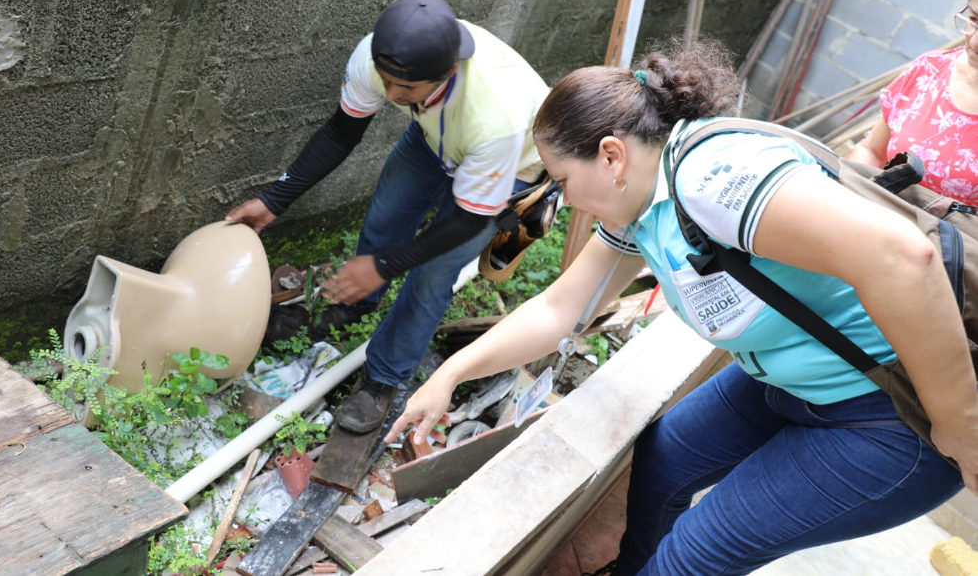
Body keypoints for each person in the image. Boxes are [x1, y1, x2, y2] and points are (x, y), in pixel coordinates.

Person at [386, 39, 978, 575]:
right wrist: (450, 374)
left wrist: (960, 419)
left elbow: (905, 259)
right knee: (662, 464)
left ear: (612, 157)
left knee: (696, 554)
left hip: (894, 415)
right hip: (796, 383)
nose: (561, 199)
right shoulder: (644, 200)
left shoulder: (711, 180)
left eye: (561, 180)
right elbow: (561, 308)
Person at [225, 0, 548, 433]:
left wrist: (384, 266)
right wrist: (275, 200)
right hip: (434, 135)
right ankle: (355, 304)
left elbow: (468, 221)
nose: (392, 96)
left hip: (512, 167)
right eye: (385, 80)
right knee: (387, 214)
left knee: (433, 272)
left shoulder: (494, 116)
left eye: (406, 91)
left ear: (449, 72)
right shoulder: (378, 57)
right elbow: (341, 133)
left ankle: (382, 379)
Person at [848, 0, 978, 203]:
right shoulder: (928, 70)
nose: (975, 41)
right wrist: (847, 190)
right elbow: (872, 151)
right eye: (974, 20)